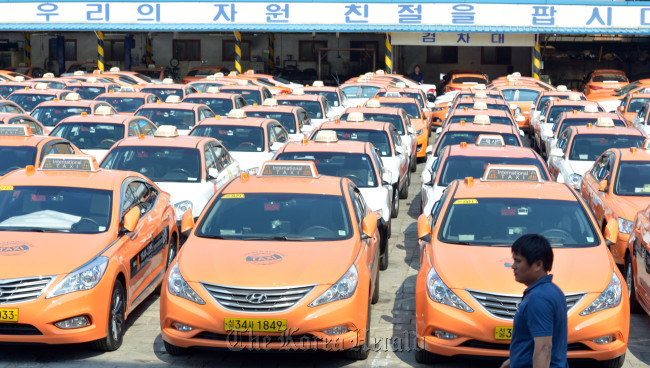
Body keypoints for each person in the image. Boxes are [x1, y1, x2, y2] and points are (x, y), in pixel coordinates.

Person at [500, 234, 569, 368]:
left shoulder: (539, 298)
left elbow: (544, 347)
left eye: (518, 261)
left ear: (538, 264)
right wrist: (511, 362)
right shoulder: (553, 291)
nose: (513, 266)